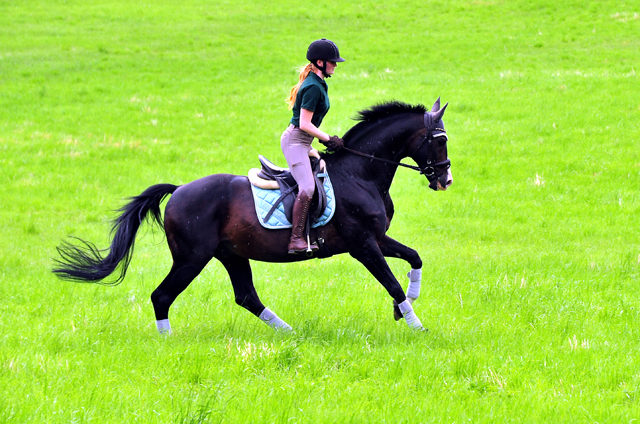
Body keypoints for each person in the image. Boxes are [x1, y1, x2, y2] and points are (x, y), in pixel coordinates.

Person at [281, 38, 345, 254]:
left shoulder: (318, 82)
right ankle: (295, 239)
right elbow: (304, 123)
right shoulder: (312, 87)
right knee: (307, 187)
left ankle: (315, 231)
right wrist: (327, 138)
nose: (335, 65)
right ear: (320, 62)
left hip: (303, 141)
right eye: (332, 62)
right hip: (296, 142)